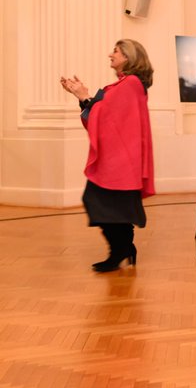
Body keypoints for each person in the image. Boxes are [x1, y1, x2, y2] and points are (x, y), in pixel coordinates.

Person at [59, 40, 155, 272]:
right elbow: (102, 116)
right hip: (120, 158)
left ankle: (120, 250)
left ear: (128, 58)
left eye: (116, 51)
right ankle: (124, 249)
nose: (110, 55)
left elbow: (106, 117)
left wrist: (84, 96)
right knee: (113, 206)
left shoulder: (130, 84)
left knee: (103, 203)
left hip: (122, 160)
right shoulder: (124, 85)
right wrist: (81, 96)